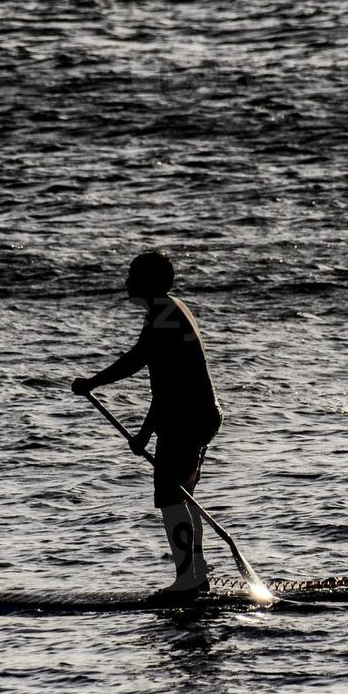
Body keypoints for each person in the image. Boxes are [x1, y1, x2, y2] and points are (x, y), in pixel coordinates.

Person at [71, 251, 223, 597]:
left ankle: (190, 580)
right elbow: (159, 374)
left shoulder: (166, 315)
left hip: (188, 418)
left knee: (172, 498)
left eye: (132, 275)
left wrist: (93, 384)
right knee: (180, 497)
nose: (126, 281)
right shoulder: (166, 310)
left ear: (151, 282)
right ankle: (195, 576)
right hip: (192, 415)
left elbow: (145, 366)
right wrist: (145, 430)